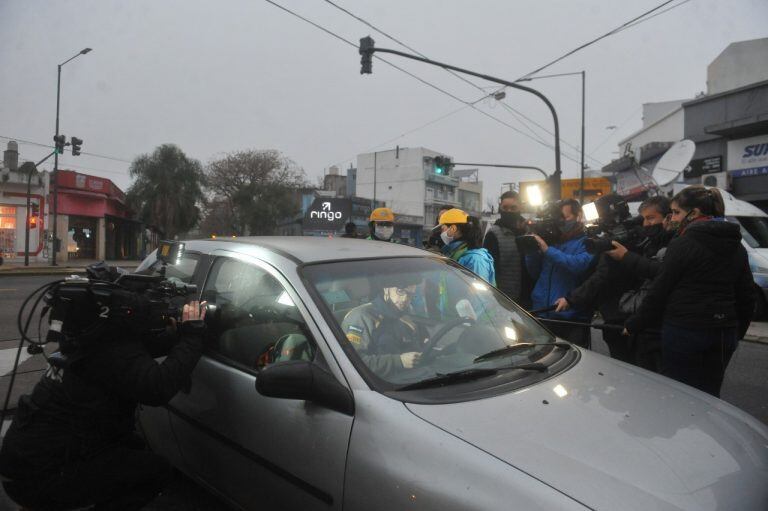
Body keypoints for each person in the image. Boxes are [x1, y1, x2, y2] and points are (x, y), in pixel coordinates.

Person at [0, 300, 207, 510]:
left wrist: (176, 335)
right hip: (38, 477)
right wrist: (192, 336)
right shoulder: (114, 350)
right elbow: (158, 387)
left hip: (21, 463)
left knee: (132, 446)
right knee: (155, 471)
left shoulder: (90, 340)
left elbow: (139, 351)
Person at [624, 186, 755, 397]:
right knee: (710, 395)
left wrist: (634, 324)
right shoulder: (736, 246)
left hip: (685, 330)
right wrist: (736, 332)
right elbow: (746, 295)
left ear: (693, 213)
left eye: (676, 212)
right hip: (724, 332)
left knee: (680, 397)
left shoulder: (683, 244)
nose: (672, 218)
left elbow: (660, 290)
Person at [554, 196, 672, 364]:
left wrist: (571, 299)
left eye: (650, 218)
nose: (646, 224)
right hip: (630, 316)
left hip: (629, 319)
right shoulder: (642, 236)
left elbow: (601, 276)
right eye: (644, 219)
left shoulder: (652, 241)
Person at [526, 198, 594, 347]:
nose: (560, 222)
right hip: (543, 313)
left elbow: (578, 265)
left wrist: (547, 250)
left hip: (571, 316)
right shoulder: (552, 242)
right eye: (558, 218)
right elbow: (534, 273)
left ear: (578, 216)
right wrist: (531, 251)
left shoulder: (587, 242)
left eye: (565, 217)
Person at [341, 274, 427, 377]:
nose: (405, 299)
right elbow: (352, 362)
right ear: (386, 289)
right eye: (400, 291)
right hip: (380, 386)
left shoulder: (406, 316)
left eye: (410, 294)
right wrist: (398, 361)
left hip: (415, 378)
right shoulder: (361, 317)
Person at [483, 190, 530, 305]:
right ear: (500, 208)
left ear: (520, 208)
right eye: (505, 208)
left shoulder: (530, 231)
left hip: (529, 298)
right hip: (504, 298)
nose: (509, 211)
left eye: (513, 208)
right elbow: (490, 269)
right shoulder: (493, 234)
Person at [439, 208, 496, 285]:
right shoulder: (454, 253)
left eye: (442, 229)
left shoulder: (476, 259)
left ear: (453, 229)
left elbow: (479, 295)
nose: (441, 233)